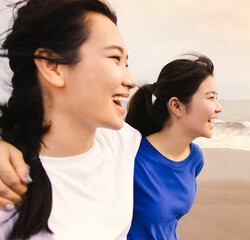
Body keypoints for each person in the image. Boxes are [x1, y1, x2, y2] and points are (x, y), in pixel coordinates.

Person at [0, 0, 141, 239]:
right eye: (115, 58)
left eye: (126, 63)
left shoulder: (122, 142)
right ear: (53, 66)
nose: (131, 80)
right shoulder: (9, 185)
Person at [125, 55, 222, 239]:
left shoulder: (194, 158)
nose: (218, 108)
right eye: (211, 98)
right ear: (176, 105)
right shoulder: (133, 158)